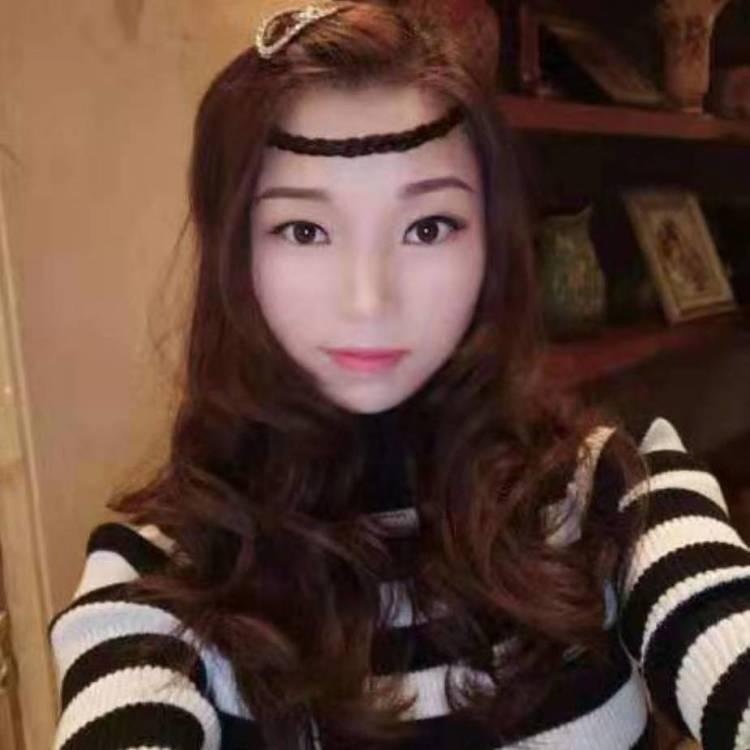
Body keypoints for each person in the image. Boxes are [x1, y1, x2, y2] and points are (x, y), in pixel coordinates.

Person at [47, 2, 750, 749]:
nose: (368, 300)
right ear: (236, 260)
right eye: (304, 230)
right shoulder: (159, 579)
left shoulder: (613, 494)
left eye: (427, 227)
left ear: (492, 245)